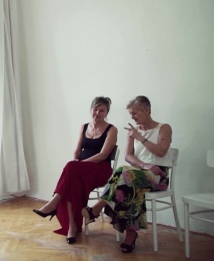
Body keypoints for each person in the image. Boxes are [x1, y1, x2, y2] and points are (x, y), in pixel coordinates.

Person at [82, 96, 173, 254]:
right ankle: (130, 235)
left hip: (158, 176)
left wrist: (140, 138)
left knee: (124, 173)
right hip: (135, 174)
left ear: (147, 110)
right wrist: (144, 165)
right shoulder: (133, 131)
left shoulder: (164, 128)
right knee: (129, 183)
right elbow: (128, 156)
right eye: (131, 114)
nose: (132, 117)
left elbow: (161, 151)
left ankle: (97, 209)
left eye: (135, 113)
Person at [32, 96, 117, 244]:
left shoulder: (112, 129)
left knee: (72, 168)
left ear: (107, 112)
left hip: (100, 169)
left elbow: (103, 155)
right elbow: (77, 151)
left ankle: (54, 203)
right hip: (80, 169)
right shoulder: (84, 126)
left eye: (101, 110)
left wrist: (81, 164)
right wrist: (77, 162)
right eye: (95, 109)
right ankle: (71, 226)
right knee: (72, 173)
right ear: (90, 110)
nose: (97, 113)